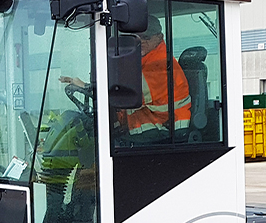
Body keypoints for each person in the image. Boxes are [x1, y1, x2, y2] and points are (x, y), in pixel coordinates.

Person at [59, 14, 190, 146]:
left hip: (166, 130)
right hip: (150, 127)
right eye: (137, 37)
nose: (141, 41)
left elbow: (127, 94)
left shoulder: (160, 63)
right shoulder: (142, 60)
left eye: (146, 37)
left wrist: (86, 86)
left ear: (159, 37)